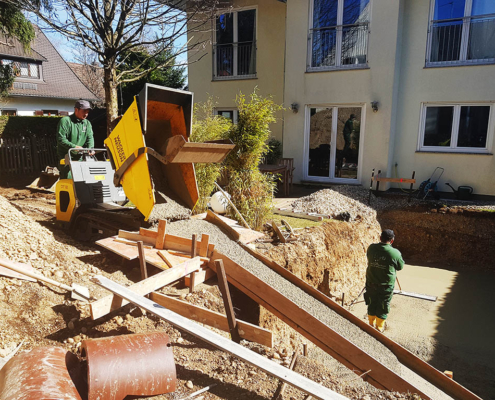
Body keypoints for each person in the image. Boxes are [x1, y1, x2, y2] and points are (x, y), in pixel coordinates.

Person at [365, 229, 404, 332]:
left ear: (380, 238)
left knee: (371, 302)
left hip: (371, 282)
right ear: (392, 241)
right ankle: (379, 327)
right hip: (386, 285)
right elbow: (400, 267)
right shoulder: (395, 253)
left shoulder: (371, 248)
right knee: (383, 304)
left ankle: (370, 324)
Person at [56, 100, 94, 179]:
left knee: (81, 180)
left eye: (87, 112)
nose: (86, 114)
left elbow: (90, 138)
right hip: (66, 157)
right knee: (69, 179)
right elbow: (61, 139)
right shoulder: (65, 121)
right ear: (76, 110)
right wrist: (74, 147)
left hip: (79, 157)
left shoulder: (87, 123)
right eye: (84, 111)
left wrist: (91, 148)